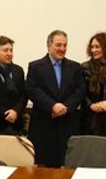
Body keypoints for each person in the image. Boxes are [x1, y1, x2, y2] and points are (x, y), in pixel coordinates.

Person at [26, 30, 85, 167]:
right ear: (48, 46)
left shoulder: (75, 67)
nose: (62, 49)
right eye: (58, 45)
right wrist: (52, 106)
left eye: (65, 45)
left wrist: (66, 107)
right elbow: (32, 90)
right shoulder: (35, 67)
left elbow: (80, 90)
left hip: (68, 123)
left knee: (68, 164)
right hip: (44, 124)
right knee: (43, 169)